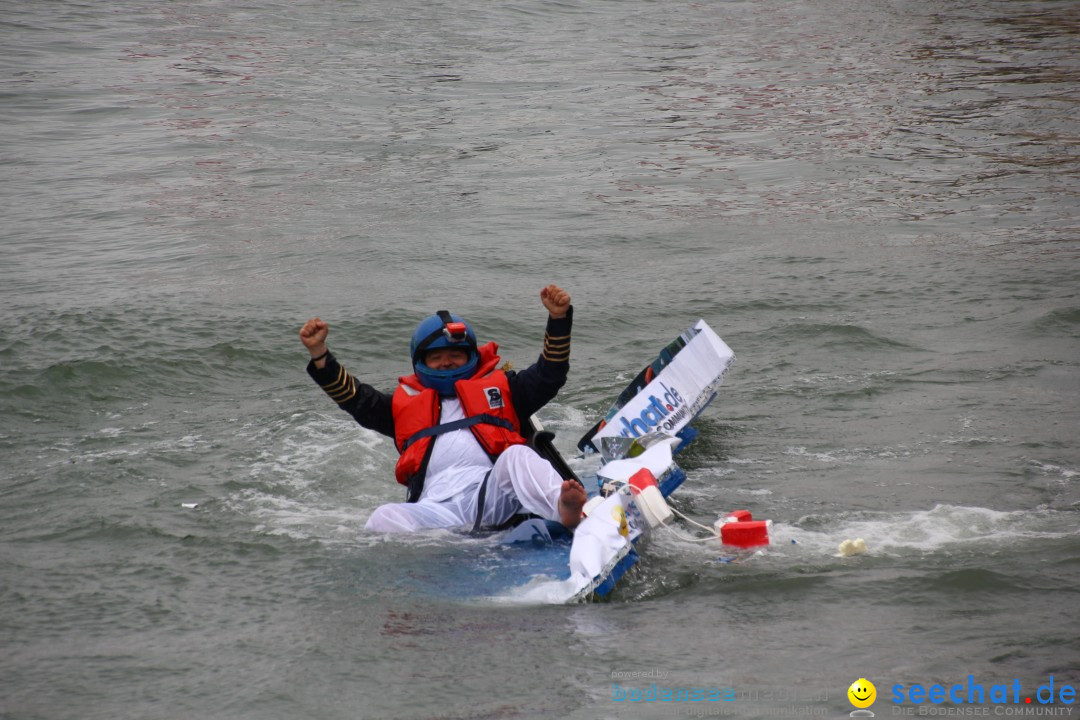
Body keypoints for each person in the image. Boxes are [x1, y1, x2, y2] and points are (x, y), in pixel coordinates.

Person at [299, 284, 587, 533]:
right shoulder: (401, 406)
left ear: (470, 357)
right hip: (435, 510)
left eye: (455, 356)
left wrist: (558, 318)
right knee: (383, 517)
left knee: (517, 455)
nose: (446, 362)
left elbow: (551, 373)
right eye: (437, 357)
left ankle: (563, 508)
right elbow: (355, 399)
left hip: (494, 498)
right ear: (420, 362)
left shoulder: (506, 390)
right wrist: (320, 355)